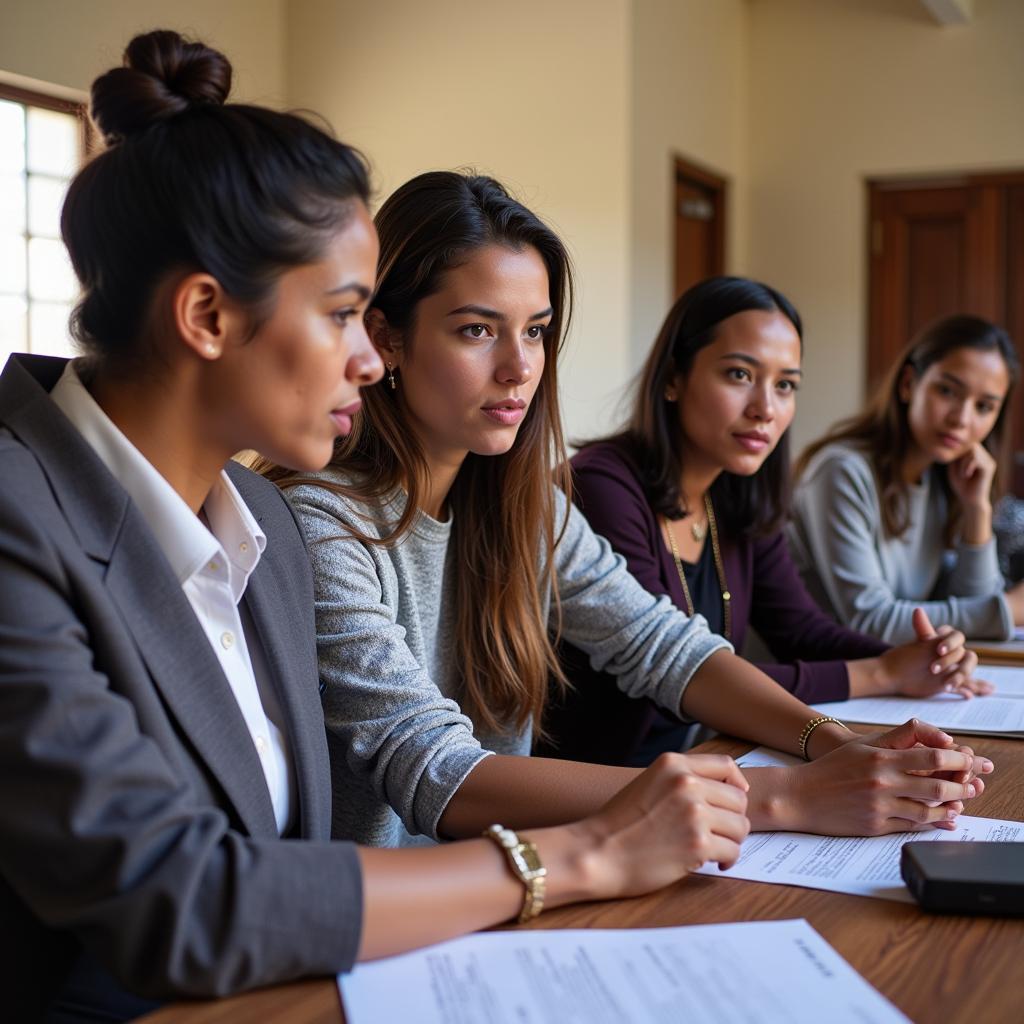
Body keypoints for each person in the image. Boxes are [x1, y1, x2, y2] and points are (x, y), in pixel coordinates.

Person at [0, 31, 757, 1022]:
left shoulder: (255, 520)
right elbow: (175, 894)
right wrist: (582, 853)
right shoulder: (22, 516)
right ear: (207, 317)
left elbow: (295, 862)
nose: (370, 359)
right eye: (347, 314)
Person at [266, 173, 987, 865]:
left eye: (537, 331)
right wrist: (780, 795)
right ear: (387, 339)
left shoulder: (525, 506)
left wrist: (836, 746)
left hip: (532, 886)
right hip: (389, 931)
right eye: (478, 331)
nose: (520, 368)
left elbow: (662, 644)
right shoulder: (326, 520)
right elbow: (440, 771)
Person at [535, 277, 989, 768]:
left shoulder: (734, 493)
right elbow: (681, 673)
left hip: (702, 764)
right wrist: (882, 673)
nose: (765, 409)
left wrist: (919, 659)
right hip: (593, 785)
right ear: (673, 377)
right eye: (738, 375)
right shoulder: (602, 487)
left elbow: (802, 630)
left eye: (785, 385)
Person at [790, 314, 1023, 644]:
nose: (961, 418)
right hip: (811, 681)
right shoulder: (840, 471)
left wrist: (976, 511)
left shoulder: (944, 482)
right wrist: (1009, 609)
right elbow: (868, 621)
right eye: (947, 391)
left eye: (984, 406)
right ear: (908, 383)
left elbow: (974, 612)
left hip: (889, 680)